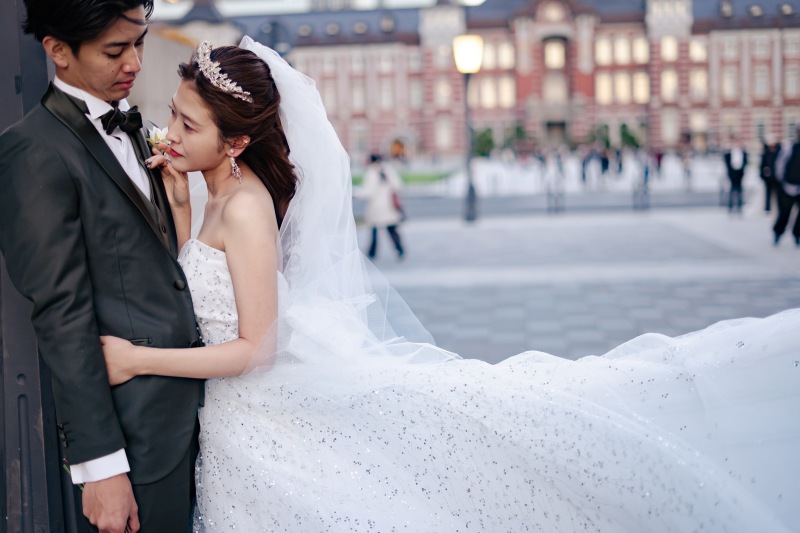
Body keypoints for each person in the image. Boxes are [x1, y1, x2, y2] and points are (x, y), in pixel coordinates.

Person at [101, 38, 799, 532]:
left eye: (189, 124)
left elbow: (256, 346)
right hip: (237, 422)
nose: (171, 130)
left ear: (236, 143)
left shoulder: (248, 207)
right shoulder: (217, 190)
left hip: (258, 412)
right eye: (175, 112)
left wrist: (137, 359)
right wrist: (185, 199)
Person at [0, 1, 205, 531]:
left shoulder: (135, 126)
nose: (135, 62)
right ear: (57, 51)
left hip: (201, 417)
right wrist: (102, 469)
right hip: (136, 440)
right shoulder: (33, 152)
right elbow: (62, 316)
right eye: (116, 50)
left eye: (139, 42)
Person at [361, 153, 405, 260]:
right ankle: (399, 250)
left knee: (374, 231)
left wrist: (355, 194)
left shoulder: (371, 172)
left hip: (376, 208)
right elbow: (398, 185)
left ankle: (372, 252)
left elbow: (368, 192)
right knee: (392, 230)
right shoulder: (388, 170)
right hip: (388, 206)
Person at [773, 127, 800, 247]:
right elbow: (779, 166)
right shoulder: (789, 148)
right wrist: (783, 183)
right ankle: (778, 233)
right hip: (788, 186)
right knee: (784, 213)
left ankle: (797, 234)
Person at [723, 137, 748, 213]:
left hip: (739, 174)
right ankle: (730, 207)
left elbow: (745, 162)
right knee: (732, 190)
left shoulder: (743, 152)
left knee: (740, 191)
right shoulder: (730, 152)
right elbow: (726, 161)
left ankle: (739, 207)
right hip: (732, 174)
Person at [759, 136, 781, 213]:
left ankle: (777, 208)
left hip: (776, 176)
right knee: (768, 193)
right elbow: (762, 164)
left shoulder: (778, 152)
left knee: (777, 193)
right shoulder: (766, 152)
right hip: (768, 177)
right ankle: (767, 208)